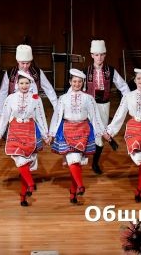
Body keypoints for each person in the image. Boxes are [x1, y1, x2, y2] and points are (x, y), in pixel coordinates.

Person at [103, 69, 141, 203]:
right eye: (139, 78)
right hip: (133, 128)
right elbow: (120, 114)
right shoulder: (128, 96)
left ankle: (139, 190)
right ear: (135, 80)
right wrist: (110, 131)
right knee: (137, 154)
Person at [49, 68, 106, 204]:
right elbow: (57, 116)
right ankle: (80, 186)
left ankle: (73, 192)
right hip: (67, 130)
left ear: (83, 83)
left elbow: (95, 116)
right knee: (73, 160)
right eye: (74, 81)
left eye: (80, 82)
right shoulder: (63, 98)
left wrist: (103, 132)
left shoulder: (88, 98)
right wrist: (51, 134)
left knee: (76, 162)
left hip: (83, 131)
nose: (77, 84)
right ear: (70, 82)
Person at [0, 70, 50, 206]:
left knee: (26, 164)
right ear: (17, 84)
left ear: (30, 84)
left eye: (26, 83)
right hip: (15, 131)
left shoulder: (36, 99)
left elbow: (41, 118)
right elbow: (4, 117)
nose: (24, 86)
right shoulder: (10, 98)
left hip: (30, 132)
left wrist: (45, 135)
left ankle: (23, 196)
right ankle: (30, 183)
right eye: (21, 83)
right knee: (21, 162)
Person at [83, 40, 131, 175]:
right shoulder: (86, 71)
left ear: (105, 55)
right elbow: (78, 88)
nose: (99, 58)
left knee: (100, 134)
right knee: (87, 131)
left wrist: (130, 101)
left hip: (104, 106)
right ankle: (81, 156)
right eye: (96, 55)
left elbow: (123, 87)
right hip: (89, 106)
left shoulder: (111, 70)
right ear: (92, 55)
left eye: (102, 55)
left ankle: (95, 162)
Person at [0, 44, 58, 122]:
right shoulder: (10, 73)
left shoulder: (37, 72)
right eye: (22, 63)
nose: (25, 66)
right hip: (14, 112)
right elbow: (3, 93)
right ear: (17, 61)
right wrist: (0, 114)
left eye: (28, 63)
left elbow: (49, 90)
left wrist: (57, 108)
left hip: (32, 110)